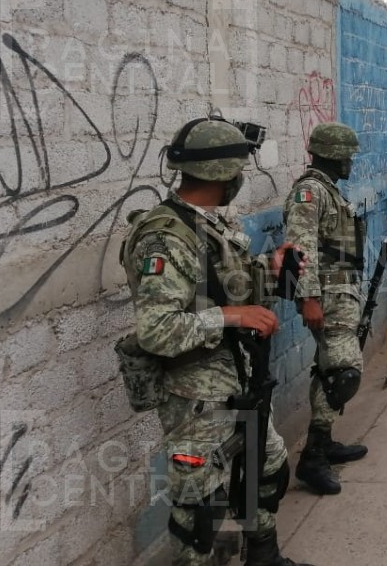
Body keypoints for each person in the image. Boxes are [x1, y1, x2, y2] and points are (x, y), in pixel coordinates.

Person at [119, 116, 311, 565]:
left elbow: (225, 285)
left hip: (238, 380)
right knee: (200, 519)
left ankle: (263, 556)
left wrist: (270, 267)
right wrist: (230, 315)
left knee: (266, 471)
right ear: (228, 175)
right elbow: (157, 331)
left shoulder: (206, 223)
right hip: (194, 400)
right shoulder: (165, 238)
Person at [282, 122, 369, 496]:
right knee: (344, 373)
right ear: (333, 154)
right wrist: (309, 298)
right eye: (347, 155)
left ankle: (325, 440)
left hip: (342, 293)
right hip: (328, 297)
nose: (351, 161)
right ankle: (312, 459)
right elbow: (301, 250)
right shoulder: (309, 191)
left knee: (331, 370)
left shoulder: (328, 190)